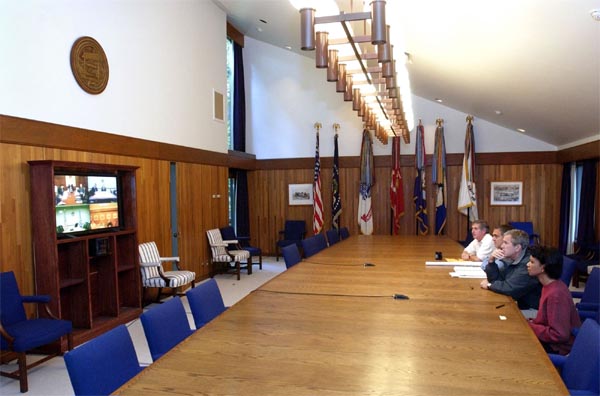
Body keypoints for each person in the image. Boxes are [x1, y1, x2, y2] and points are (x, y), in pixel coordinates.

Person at [527, 245, 581, 355]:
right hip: (549, 339)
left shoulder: (556, 294)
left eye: (532, 262)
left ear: (543, 267)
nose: (527, 265)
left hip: (557, 347)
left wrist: (530, 326)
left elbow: (559, 334)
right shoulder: (548, 285)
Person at [481, 229, 541, 311]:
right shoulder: (510, 258)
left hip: (529, 310)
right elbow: (496, 279)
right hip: (516, 304)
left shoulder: (527, 264)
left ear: (517, 248)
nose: (502, 246)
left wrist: (489, 286)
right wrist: (491, 261)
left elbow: (509, 288)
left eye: (506, 243)